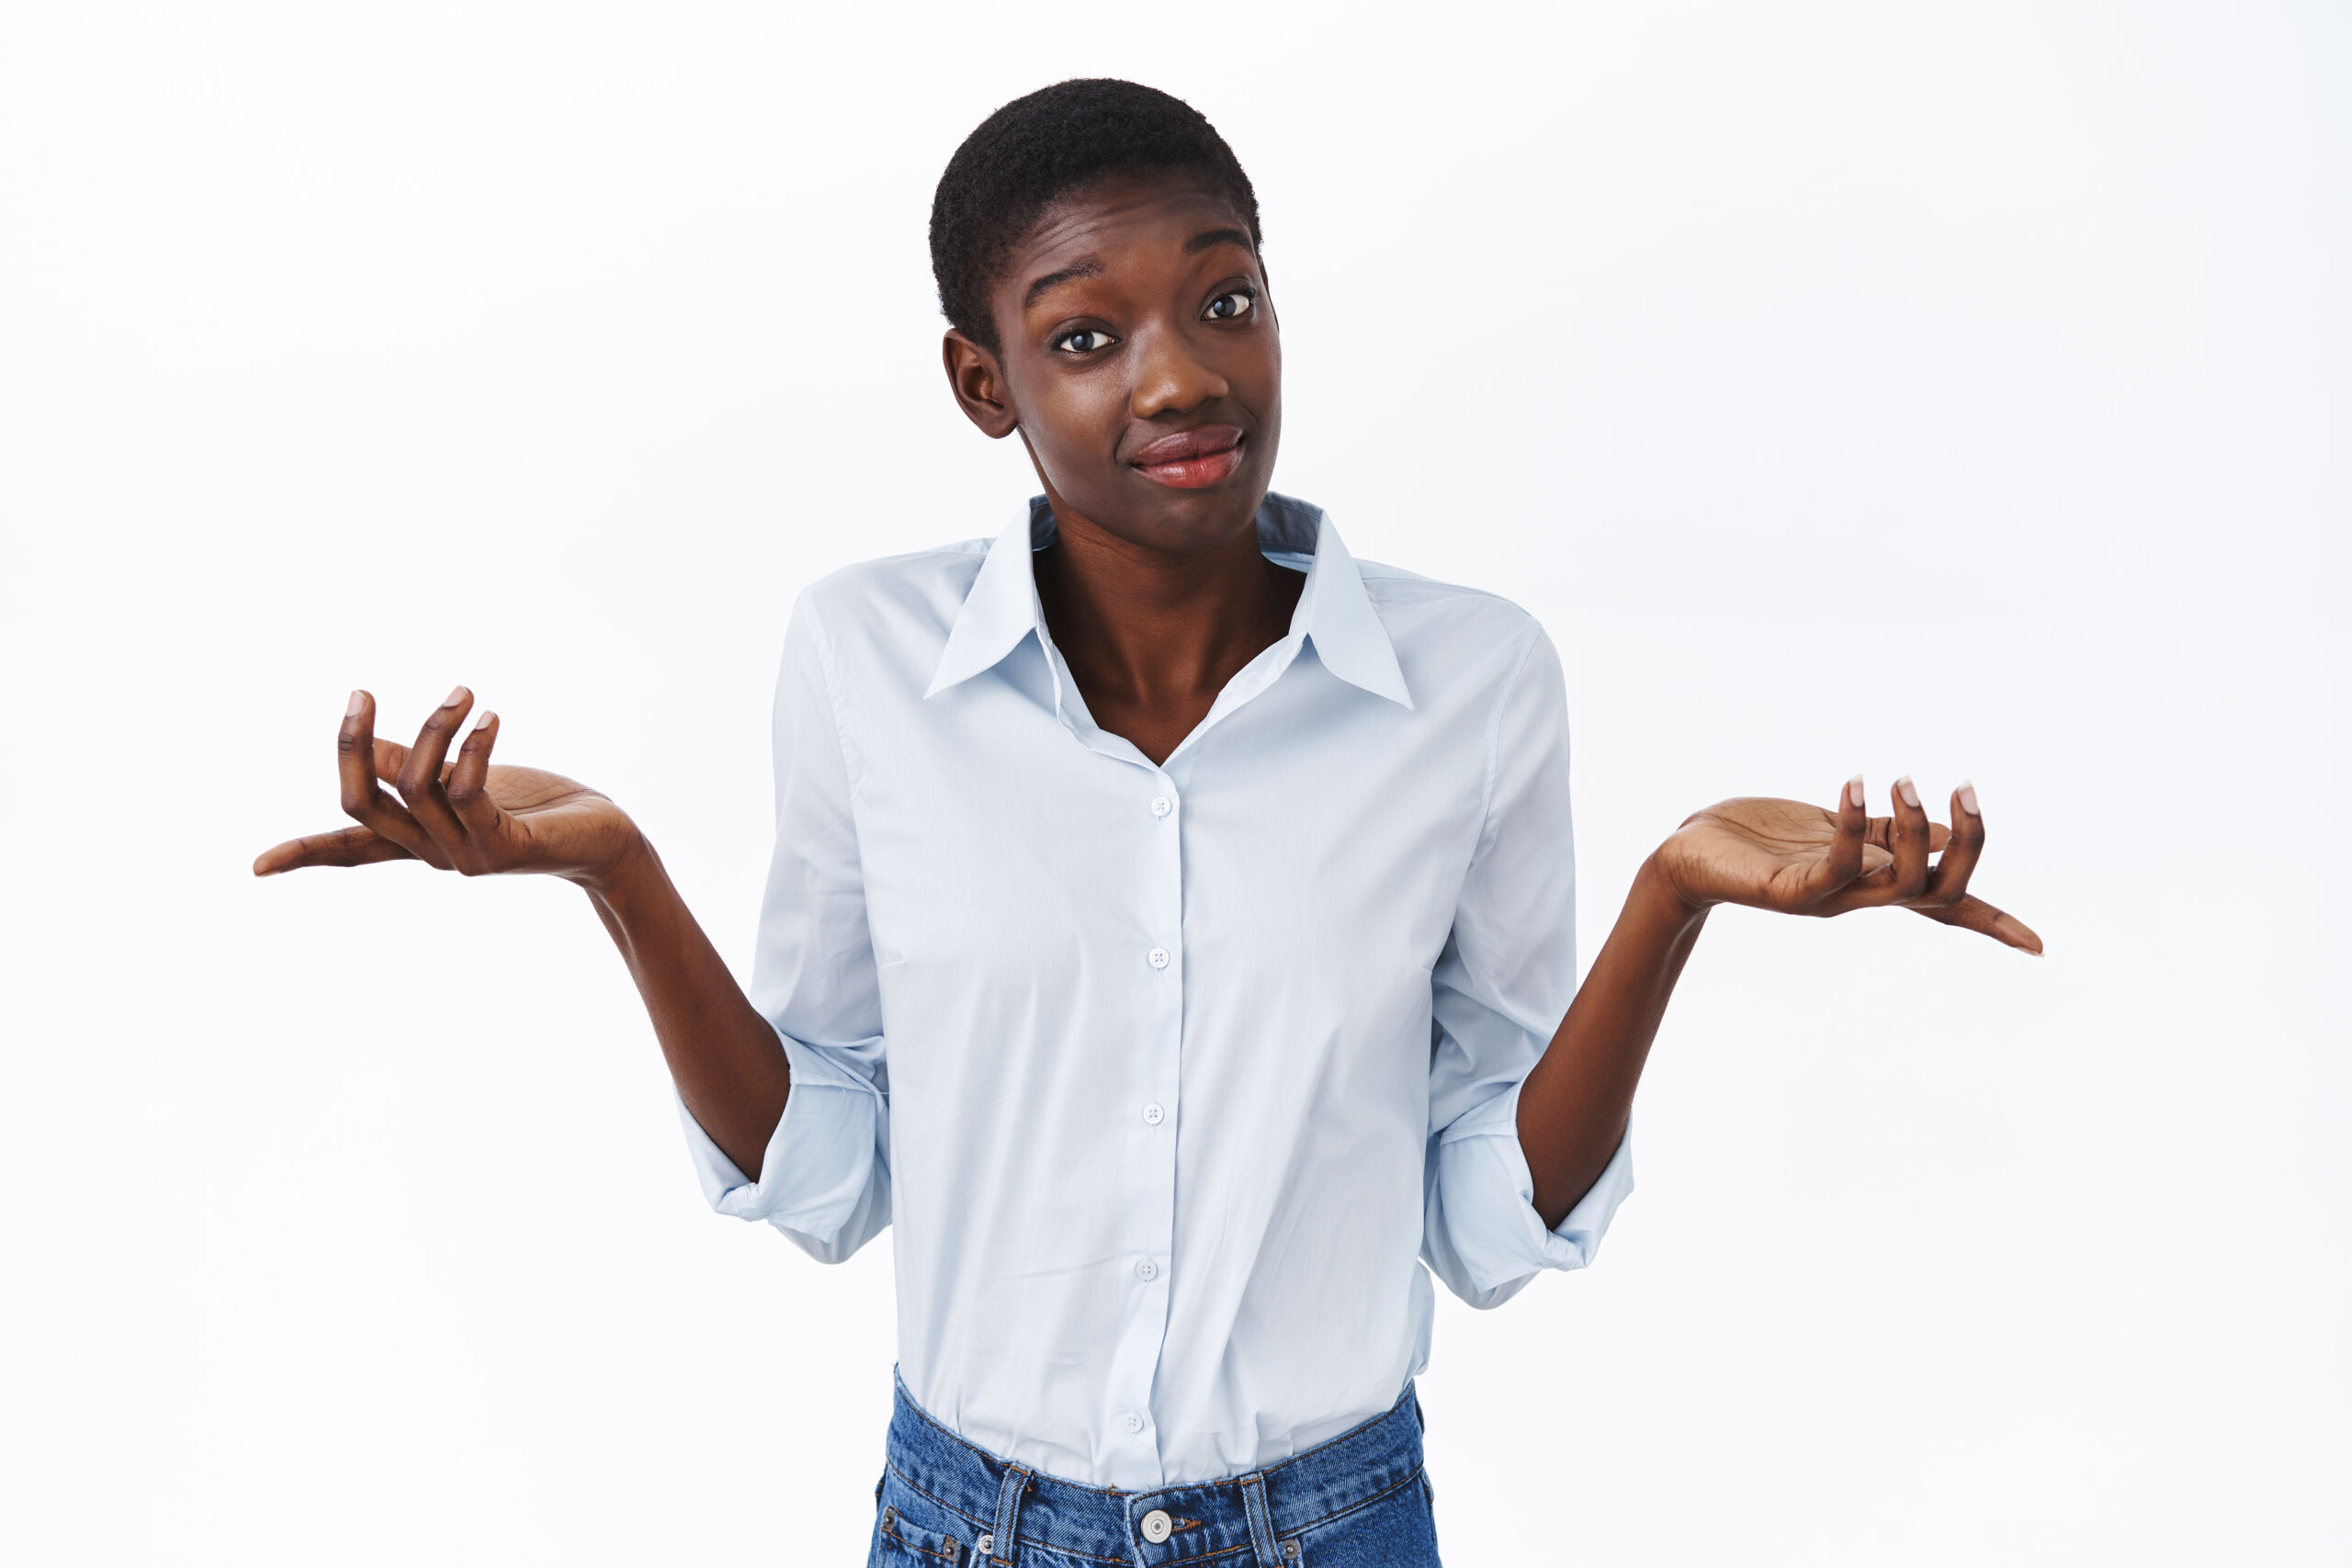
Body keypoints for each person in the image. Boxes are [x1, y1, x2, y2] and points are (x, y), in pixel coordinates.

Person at [255, 78, 2041, 1568]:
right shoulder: (863, 658)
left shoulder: (1473, 679)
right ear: (985, 385)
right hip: (968, 1517)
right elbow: (831, 1161)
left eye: (1225, 299)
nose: (1179, 375)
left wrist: (1668, 901)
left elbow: (1487, 1206)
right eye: (1086, 335)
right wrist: (620, 879)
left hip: (1333, 1517)